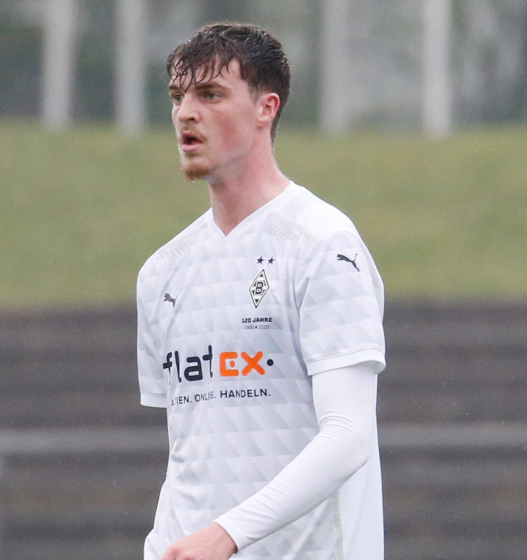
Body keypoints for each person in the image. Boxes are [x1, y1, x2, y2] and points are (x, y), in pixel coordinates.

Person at [136, 22, 386, 560]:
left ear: (265, 108)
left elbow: (348, 436)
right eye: (178, 97)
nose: (185, 113)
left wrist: (227, 534)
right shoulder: (162, 273)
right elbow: (188, 457)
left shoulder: (323, 244)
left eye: (210, 94)